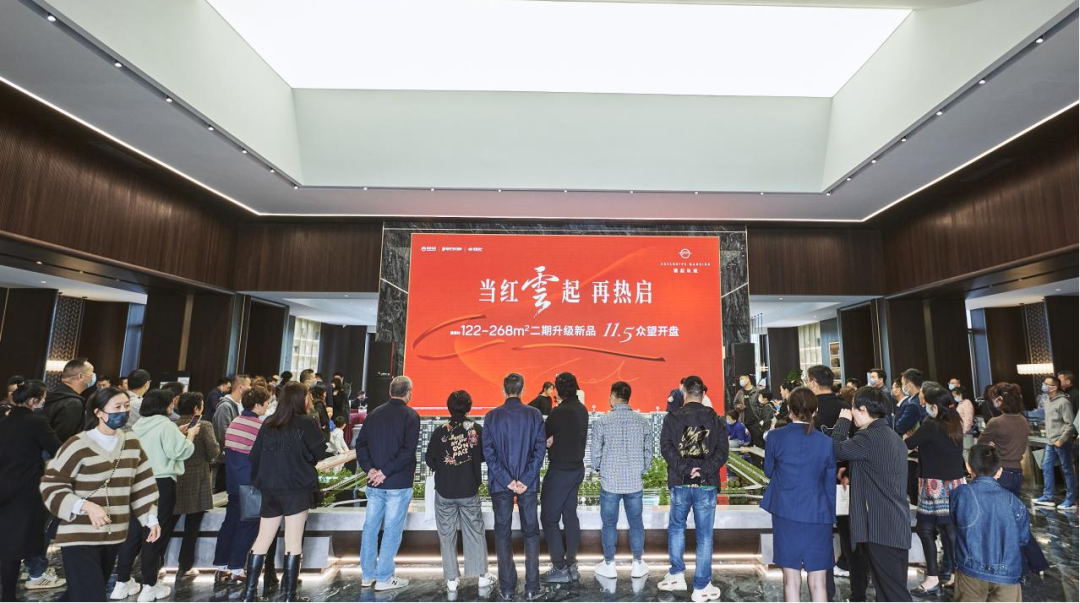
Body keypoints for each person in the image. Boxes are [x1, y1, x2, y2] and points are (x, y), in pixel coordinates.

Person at [40, 387, 161, 603]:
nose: (123, 412)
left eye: (126, 407)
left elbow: (142, 483)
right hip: (78, 533)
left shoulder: (131, 443)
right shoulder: (77, 444)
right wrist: (85, 506)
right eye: (117, 407)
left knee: (80, 593)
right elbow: (52, 485)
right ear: (98, 412)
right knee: (91, 595)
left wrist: (150, 519)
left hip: (112, 532)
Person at [240, 382, 329, 603]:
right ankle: (290, 597)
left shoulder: (269, 423)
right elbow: (320, 453)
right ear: (301, 399)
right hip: (297, 489)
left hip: (270, 489)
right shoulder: (307, 423)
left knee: (262, 540)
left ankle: (249, 595)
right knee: (293, 542)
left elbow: (254, 456)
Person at [112, 389, 198, 602]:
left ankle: (122, 581)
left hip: (136, 483)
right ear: (165, 406)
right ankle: (150, 585)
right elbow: (179, 451)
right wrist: (190, 436)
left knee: (132, 533)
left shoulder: (137, 425)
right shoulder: (166, 425)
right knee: (154, 533)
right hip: (160, 484)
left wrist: (177, 432)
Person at [832, 387, 913, 603]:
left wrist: (842, 422)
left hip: (880, 527)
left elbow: (836, 449)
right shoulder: (893, 437)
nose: (851, 412)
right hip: (895, 523)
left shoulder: (868, 437)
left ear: (863, 409)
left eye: (852, 408)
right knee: (889, 590)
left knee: (893, 593)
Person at [762, 386, 836, 603]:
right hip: (818, 515)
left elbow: (769, 471)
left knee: (791, 580)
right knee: (819, 582)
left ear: (789, 409)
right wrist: (830, 516)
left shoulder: (775, 437)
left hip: (786, 512)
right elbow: (829, 483)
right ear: (815, 410)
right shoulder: (826, 442)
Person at [657, 375, 728, 603]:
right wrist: (703, 470)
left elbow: (666, 448)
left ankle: (677, 574)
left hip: (680, 482)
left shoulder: (672, 417)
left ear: (684, 393)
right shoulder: (716, 419)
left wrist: (686, 469)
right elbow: (722, 452)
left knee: (677, 528)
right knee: (704, 535)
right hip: (706, 484)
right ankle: (701, 586)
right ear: (703, 394)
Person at [482, 373, 547, 601]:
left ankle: (507, 589)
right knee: (531, 533)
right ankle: (532, 587)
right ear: (523, 389)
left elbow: (488, 453)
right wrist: (525, 479)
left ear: (503, 390)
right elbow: (540, 450)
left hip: (501, 484)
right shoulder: (535, 414)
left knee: (502, 534)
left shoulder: (491, 416)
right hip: (527, 485)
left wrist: (507, 479)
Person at [424, 390, 496, 593]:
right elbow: (485, 456)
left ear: (449, 407)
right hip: (469, 489)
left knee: (446, 535)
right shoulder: (476, 429)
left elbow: (430, 460)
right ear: (469, 407)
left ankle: (451, 580)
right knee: (475, 531)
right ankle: (482, 577)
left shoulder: (440, 431)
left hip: (444, 491)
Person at [0, 380, 66, 599]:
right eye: (43, 400)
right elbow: (58, 450)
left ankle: (8, 594)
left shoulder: (4, 422)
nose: (43, 403)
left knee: (7, 544)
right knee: (18, 543)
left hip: (4, 488)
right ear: (32, 401)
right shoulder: (37, 421)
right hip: (26, 490)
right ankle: (10, 595)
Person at [356, 376, 420, 592]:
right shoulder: (411, 415)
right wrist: (384, 472)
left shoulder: (374, 414)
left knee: (370, 528)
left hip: (374, 483)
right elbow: (408, 451)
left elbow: (361, 445)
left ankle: (367, 575)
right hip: (398, 483)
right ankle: (384, 577)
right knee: (392, 530)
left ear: (390, 391)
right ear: (408, 392)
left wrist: (371, 470)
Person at [905, 382, 966, 596]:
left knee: (926, 529)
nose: (924, 406)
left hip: (935, 485)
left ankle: (933, 578)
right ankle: (955, 574)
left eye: (926, 403)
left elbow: (908, 444)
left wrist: (907, 439)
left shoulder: (932, 424)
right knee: (949, 531)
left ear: (934, 406)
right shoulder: (954, 421)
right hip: (955, 484)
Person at [951, 445, 1030, 602]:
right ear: (999, 471)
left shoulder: (961, 494)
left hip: (971, 571)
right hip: (1008, 574)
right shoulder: (1015, 502)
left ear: (968, 467)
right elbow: (1023, 539)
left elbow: (955, 521)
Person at [590, 381, 652, 580]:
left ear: (614, 396)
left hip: (610, 481)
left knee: (609, 524)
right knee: (636, 523)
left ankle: (609, 564)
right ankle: (637, 564)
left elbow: (595, 453)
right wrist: (641, 469)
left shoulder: (602, 422)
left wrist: (599, 468)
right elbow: (648, 452)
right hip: (634, 481)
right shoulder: (642, 422)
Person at [212, 386, 272, 589]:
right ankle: (237, 568)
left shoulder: (235, 422)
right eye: (266, 403)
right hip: (251, 483)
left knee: (230, 522)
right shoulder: (259, 427)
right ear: (257, 405)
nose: (268, 407)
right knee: (248, 525)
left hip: (233, 482)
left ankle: (221, 566)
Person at [540, 372, 589, 584]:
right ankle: (572, 565)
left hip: (560, 470)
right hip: (577, 469)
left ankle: (559, 567)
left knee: (549, 518)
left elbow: (542, 436)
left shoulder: (558, 412)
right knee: (570, 516)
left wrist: (549, 441)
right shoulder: (582, 410)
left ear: (559, 390)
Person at [173, 392, 220, 578]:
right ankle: (184, 567)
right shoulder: (204, 425)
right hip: (198, 481)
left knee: (167, 525)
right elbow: (213, 451)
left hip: (175, 479)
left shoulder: (173, 425)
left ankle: (155, 565)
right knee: (191, 527)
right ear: (196, 408)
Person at [1033, 375, 1077, 509]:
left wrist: (1061, 440)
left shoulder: (1063, 402)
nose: (1044, 386)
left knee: (1067, 469)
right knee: (1046, 466)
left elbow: (1070, 424)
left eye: (1047, 384)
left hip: (1062, 441)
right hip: (1050, 441)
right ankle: (1048, 496)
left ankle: (1071, 499)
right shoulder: (1047, 400)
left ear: (1054, 387)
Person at [212, 375, 250, 493]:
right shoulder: (225, 406)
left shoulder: (239, 405)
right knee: (223, 491)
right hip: (226, 458)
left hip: (235, 457)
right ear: (241, 388)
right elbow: (223, 433)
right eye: (249, 385)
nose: (250, 388)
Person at [44, 358, 96, 443]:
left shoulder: (52, 393)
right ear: (81, 376)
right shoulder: (73, 403)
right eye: (92, 372)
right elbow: (64, 440)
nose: (94, 375)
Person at [896, 368, 928, 436]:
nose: (902, 387)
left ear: (910, 385)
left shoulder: (914, 404)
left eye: (903, 384)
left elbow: (899, 427)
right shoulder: (927, 397)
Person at [951, 386, 976, 453]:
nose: (954, 398)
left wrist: (964, 431)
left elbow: (968, 418)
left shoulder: (967, 402)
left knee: (967, 450)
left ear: (960, 394)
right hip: (960, 431)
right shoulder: (960, 403)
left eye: (955, 396)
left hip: (965, 432)